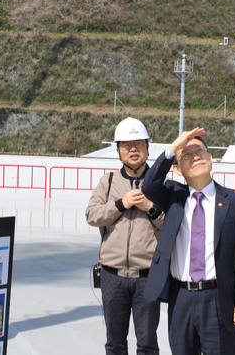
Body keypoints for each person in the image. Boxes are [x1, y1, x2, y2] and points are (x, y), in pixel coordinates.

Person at [142, 128, 235, 355]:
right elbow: (148, 186)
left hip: (218, 298)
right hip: (180, 297)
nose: (195, 156)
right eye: (186, 154)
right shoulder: (173, 196)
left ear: (210, 158)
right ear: (177, 169)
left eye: (200, 151)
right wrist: (174, 147)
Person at [85, 117, 164, 355]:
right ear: (118, 150)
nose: (133, 149)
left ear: (148, 148)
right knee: (115, 344)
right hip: (112, 275)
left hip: (148, 276)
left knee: (148, 345)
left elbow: (172, 224)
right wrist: (121, 203)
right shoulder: (108, 182)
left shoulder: (162, 185)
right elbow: (92, 215)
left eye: (138, 144)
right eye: (126, 145)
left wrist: (150, 207)